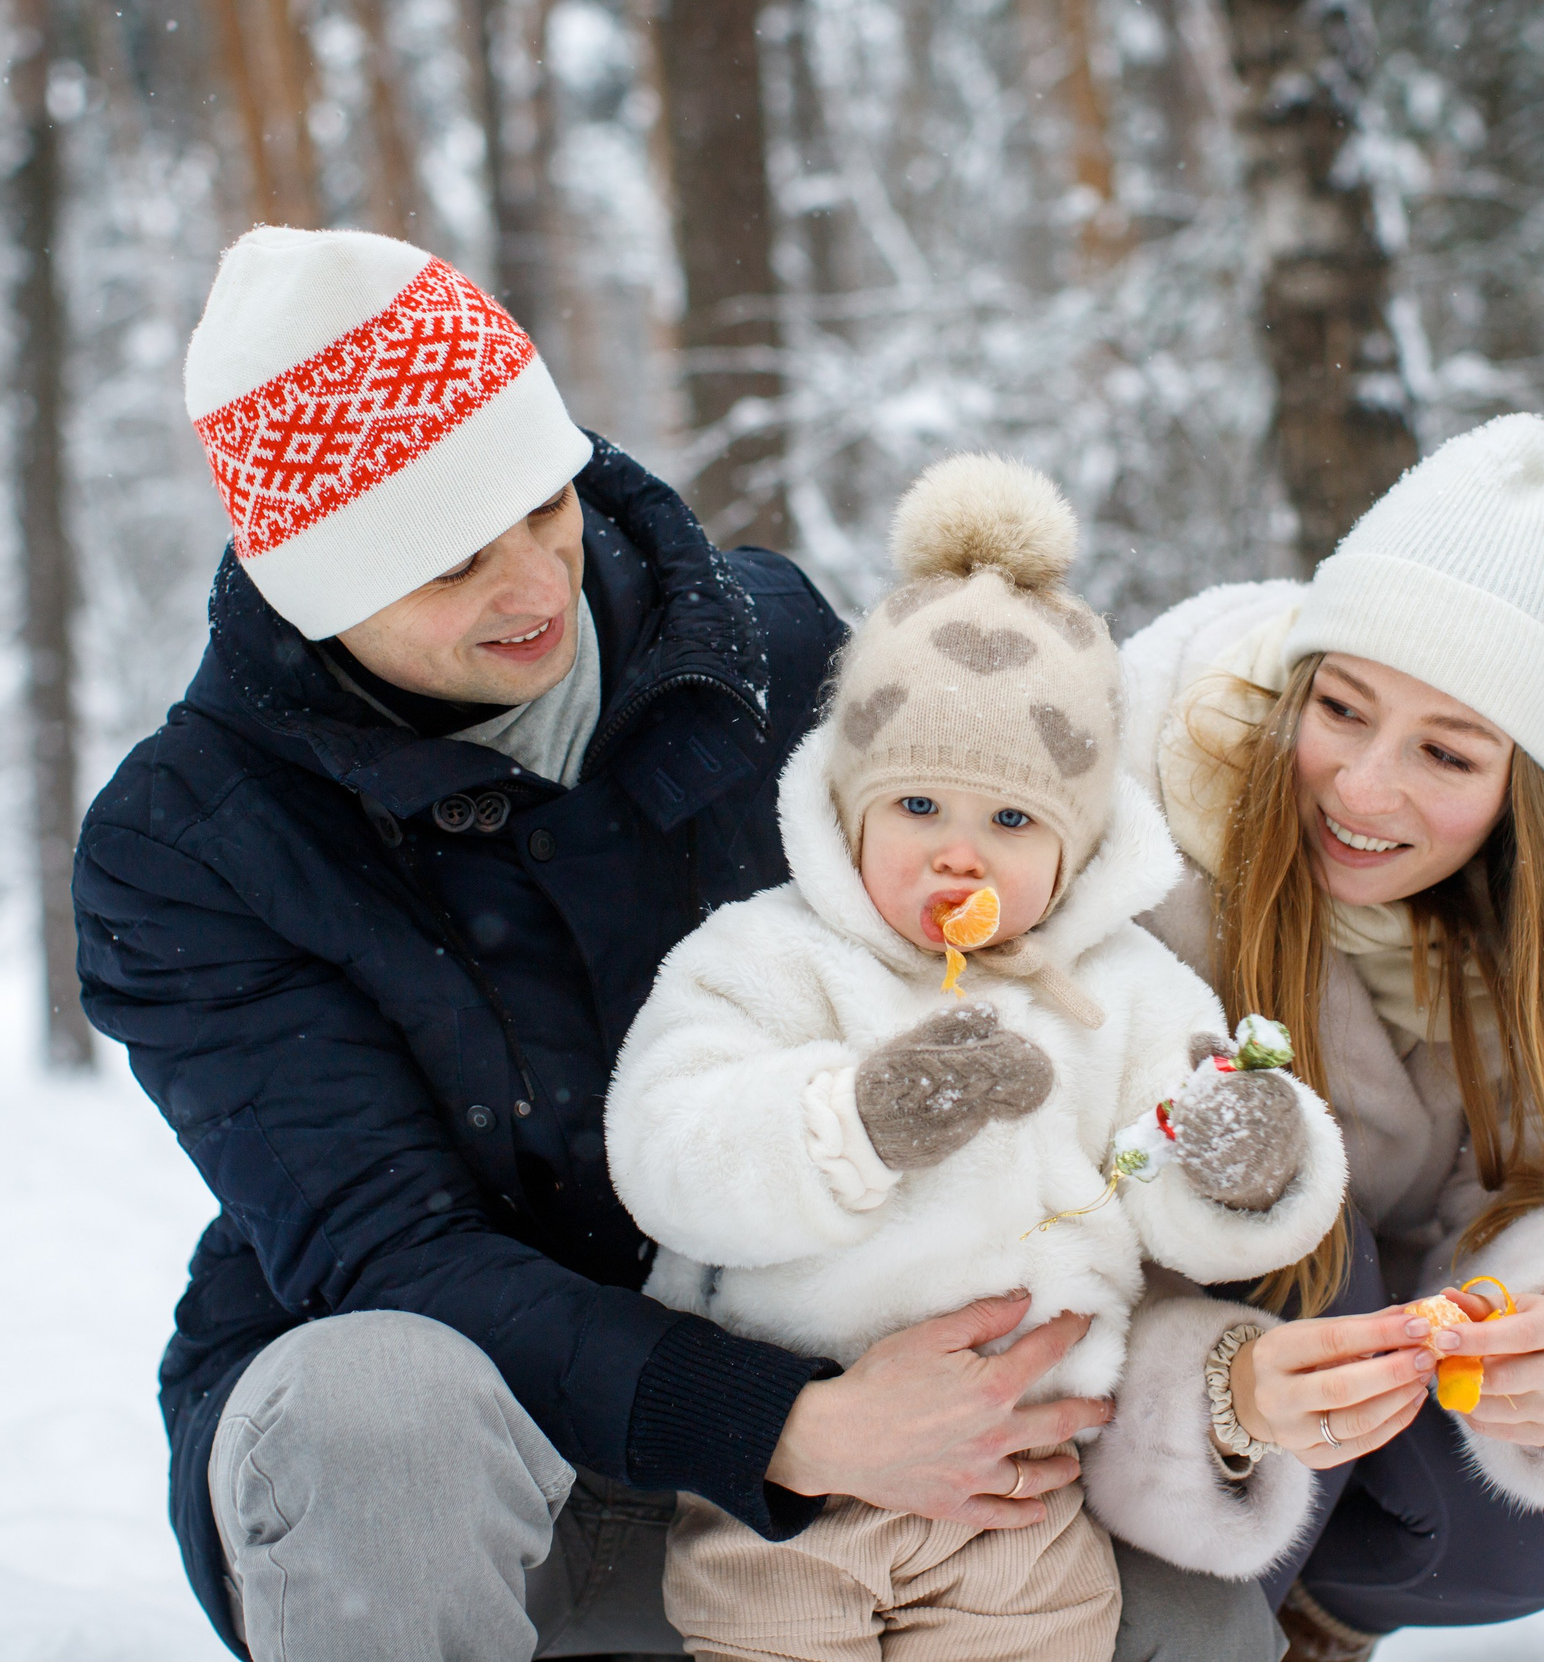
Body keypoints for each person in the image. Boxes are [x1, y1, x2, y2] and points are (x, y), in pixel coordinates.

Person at [73, 226, 1280, 1661]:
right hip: (482, 1468)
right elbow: (388, 1243)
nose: (533, 583)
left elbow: (1003, 909)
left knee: (1194, 1614)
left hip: (847, 1367)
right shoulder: (189, 842)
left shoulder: (762, 639)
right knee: (375, 1407)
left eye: (542, 501)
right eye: (452, 560)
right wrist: (789, 1426)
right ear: (317, 585)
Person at [605, 454, 1348, 1661]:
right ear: (848, 809)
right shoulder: (766, 957)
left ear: (1078, 844)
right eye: (916, 811)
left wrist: (1243, 1158)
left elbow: (1178, 1194)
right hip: (785, 1490)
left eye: (1010, 822)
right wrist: (864, 1119)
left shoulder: (1121, 993)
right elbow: (666, 1150)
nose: (958, 857)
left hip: (1022, 1502)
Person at [1093, 414, 1544, 1659]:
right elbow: (1030, 1217)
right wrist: (1216, 1394)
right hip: (1117, 1412)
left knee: (1533, 1520)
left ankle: (1314, 1606)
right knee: (1300, 1223)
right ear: (1293, 685)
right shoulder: (1139, 827)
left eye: (1445, 752)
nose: (1365, 789)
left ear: (1519, 789)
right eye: (1343, 709)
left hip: (1365, 1426)